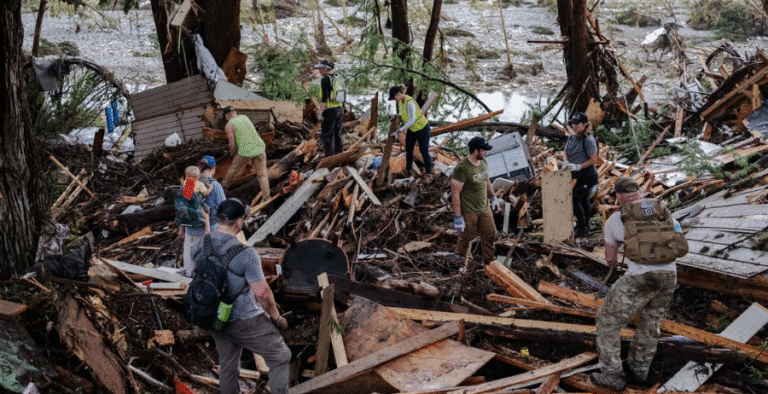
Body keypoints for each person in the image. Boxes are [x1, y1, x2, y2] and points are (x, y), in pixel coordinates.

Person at [193, 199, 291, 394]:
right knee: (281, 356)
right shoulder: (246, 254)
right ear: (238, 222)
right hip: (244, 318)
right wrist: (277, 318)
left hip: (214, 316)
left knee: (228, 365)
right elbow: (262, 293)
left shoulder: (198, 246)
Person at [591, 177, 680, 391]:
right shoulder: (662, 210)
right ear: (639, 192)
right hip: (669, 275)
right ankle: (640, 373)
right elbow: (678, 237)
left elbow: (609, 258)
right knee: (650, 325)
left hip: (641, 276)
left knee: (607, 321)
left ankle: (613, 374)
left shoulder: (615, 218)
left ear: (618, 197)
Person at [451, 137, 500, 264]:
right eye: (484, 150)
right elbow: (455, 193)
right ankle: (461, 262)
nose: (486, 153)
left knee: (490, 235)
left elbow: (486, 180)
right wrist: (458, 217)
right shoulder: (462, 168)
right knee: (465, 238)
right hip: (469, 209)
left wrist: (493, 197)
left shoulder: (483, 162)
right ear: (475, 150)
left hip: (484, 207)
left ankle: (489, 263)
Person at [562, 111, 599, 238]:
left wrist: (578, 166)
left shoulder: (588, 140)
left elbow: (593, 160)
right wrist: (566, 161)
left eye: (577, 124)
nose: (574, 126)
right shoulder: (572, 137)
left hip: (588, 174)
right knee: (582, 199)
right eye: (573, 123)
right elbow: (565, 151)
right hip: (576, 174)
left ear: (584, 124)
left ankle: (583, 227)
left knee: (574, 199)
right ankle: (584, 224)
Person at [221, 106, 270, 200]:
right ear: (235, 112)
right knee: (262, 174)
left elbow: (232, 144)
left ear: (226, 116)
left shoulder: (229, 125)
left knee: (233, 169)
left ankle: (223, 188)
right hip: (259, 147)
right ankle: (267, 198)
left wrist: (232, 154)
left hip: (246, 151)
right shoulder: (244, 117)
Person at [388, 85, 433, 177]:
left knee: (423, 150)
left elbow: (412, 120)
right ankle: (409, 170)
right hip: (412, 129)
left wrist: (399, 131)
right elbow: (403, 113)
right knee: (408, 149)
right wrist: (396, 116)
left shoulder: (410, 103)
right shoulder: (401, 101)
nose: (394, 100)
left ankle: (429, 173)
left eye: (394, 98)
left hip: (422, 128)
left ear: (398, 94)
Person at [314, 59, 344, 156]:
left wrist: (320, 112)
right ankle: (339, 155)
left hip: (330, 111)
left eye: (320, 69)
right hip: (340, 109)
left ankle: (329, 157)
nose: (319, 71)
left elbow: (325, 97)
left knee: (327, 135)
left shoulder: (325, 79)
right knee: (338, 134)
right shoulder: (337, 78)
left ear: (325, 68)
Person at [198, 155, 226, 232]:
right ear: (213, 167)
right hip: (210, 227)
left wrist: (181, 230)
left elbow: (182, 204)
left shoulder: (190, 182)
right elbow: (223, 207)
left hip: (191, 229)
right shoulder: (215, 185)